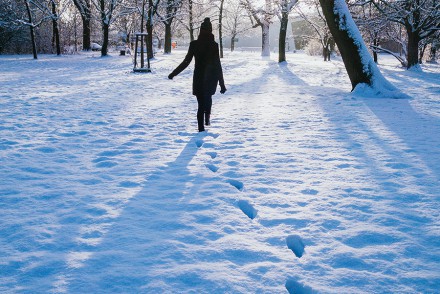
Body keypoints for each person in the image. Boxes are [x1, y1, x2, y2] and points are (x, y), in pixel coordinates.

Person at [168, 17, 227, 132]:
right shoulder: (214, 45)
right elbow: (217, 65)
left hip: (199, 78)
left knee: (200, 103)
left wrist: (173, 73)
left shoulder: (194, 44)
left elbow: (186, 62)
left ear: (200, 30)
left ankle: (201, 128)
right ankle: (207, 118)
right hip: (211, 78)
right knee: (208, 98)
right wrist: (222, 84)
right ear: (210, 30)